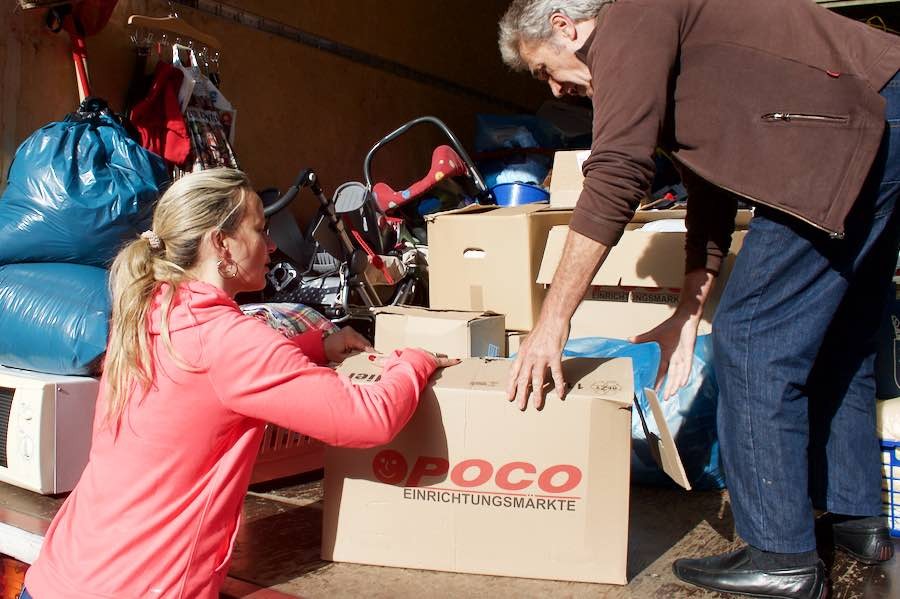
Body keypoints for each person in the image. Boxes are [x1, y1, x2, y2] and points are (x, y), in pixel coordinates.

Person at [499, 1, 900, 597]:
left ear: (565, 25)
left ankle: (781, 556)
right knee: (838, 335)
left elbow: (615, 172)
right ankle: (857, 517)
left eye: (544, 70)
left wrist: (552, 321)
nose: (556, 88)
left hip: (845, 130)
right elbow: (712, 188)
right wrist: (686, 314)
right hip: (883, 123)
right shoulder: (674, 51)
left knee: (750, 339)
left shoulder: (628, 22)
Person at [21, 168, 454, 599]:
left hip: (57, 577)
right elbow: (368, 420)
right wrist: (414, 359)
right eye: (261, 229)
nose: (272, 245)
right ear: (221, 243)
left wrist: (315, 346)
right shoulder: (231, 340)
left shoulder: (148, 313)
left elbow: (203, 385)